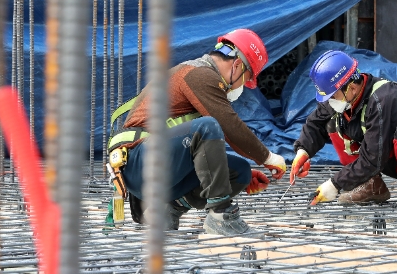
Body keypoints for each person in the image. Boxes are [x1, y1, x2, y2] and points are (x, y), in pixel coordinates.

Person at [107, 29, 287, 236]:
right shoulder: (199, 74)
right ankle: (221, 216)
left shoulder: (196, 75)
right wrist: (267, 157)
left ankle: (166, 211)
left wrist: (222, 172)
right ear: (237, 65)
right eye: (246, 80)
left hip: (156, 166)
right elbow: (228, 124)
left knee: (239, 171)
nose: (244, 86)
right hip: (139, 164)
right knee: (208, 126)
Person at [289, 50, 397, 209]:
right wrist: (303, 151)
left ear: (351, 87)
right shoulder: (345, 95)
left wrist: (334, 184)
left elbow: (373, 160)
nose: (330, 101)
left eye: (332, 96)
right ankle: (370, 185)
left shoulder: (382, 100)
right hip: (385, 156)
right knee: (333, 124)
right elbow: (315, 122)